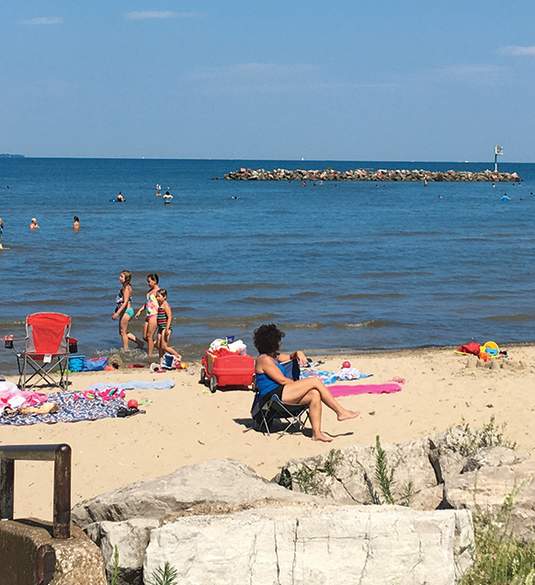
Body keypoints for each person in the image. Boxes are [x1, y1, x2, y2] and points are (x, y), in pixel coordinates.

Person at [253, 323, 358, 442]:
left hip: (281, 393)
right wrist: (299, 384)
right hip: (272, 398)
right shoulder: (264, 359)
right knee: (314, 381)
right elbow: (282, 380)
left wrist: (299, 352)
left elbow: (290, 357)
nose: (280, 343)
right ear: (272, 342)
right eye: (278, 340)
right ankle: (341, 412)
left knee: (314, 394)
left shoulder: (273, 356)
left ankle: (316, 433)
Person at [112, 270, 143, 351]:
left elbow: (125, 302)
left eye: (122, 276)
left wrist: (117, 313)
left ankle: (126, 350)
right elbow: (121, 302)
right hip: (124, 311)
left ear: (126, 279)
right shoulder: (125, 287)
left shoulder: (126, 288)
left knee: (123, 332)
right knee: (122, 332)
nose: (119, 278)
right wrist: (117, 310)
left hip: (127, 311)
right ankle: (140, 343)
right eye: (120, 276)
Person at [135, 273, 160, 358]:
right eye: (147, 281)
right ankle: (158, 346)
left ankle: (150, 356)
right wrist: (140, 310)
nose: (148, 283)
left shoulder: (158, 291)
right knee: (145, 337)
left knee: (149, 336)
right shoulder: (149, 291)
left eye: (149, 281)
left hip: (155, 315)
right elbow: (147, 303)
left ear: (155, 281)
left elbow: (162, 303)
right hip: (148, 315)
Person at [155, 289, 182, 360]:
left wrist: (167, 328)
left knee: (164, 346)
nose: (157, 298)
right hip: (160, 328)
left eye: (158, 296)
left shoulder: (165, 305)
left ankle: (177, 355)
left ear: (164, 297)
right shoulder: (160, 304)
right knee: (159, 346)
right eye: (156, 296)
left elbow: (170, 317)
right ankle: (161, 361)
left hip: (165, 328)